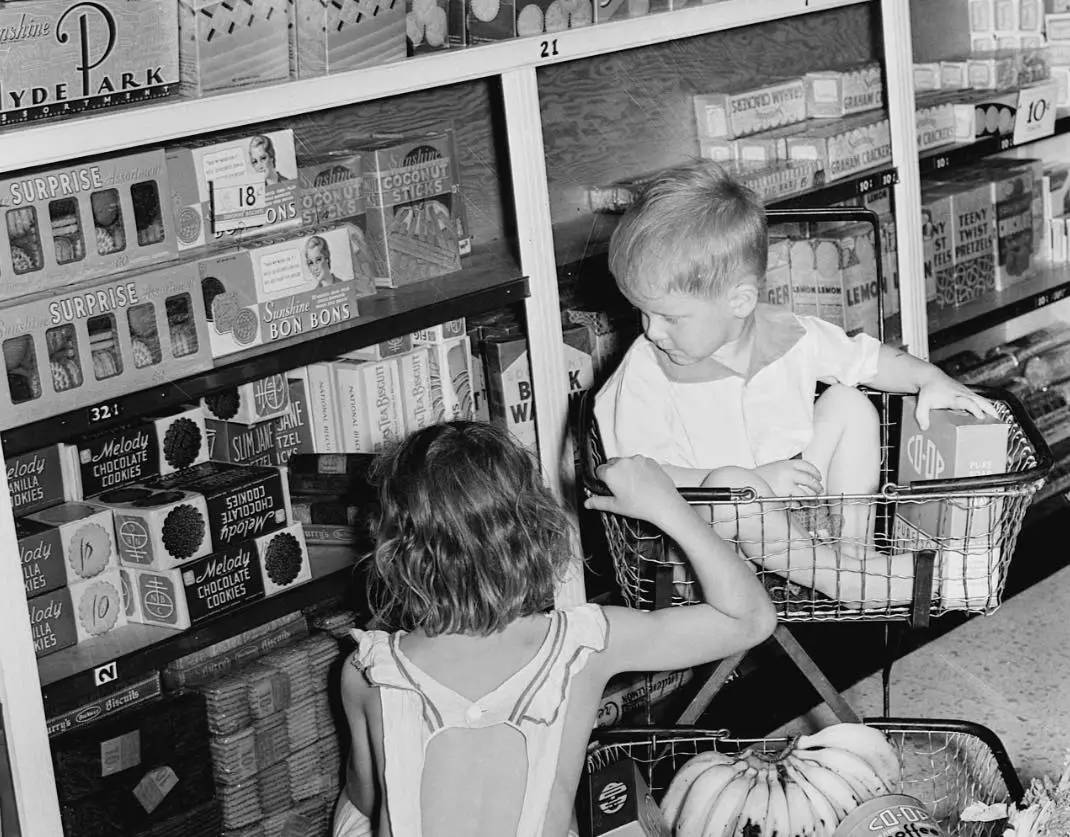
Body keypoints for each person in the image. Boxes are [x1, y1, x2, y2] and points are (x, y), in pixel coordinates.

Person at [333, 420, 776, 837]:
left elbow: (367, 797)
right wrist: (667, 505)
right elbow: (749, 619)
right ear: (536, 529)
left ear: (393, 548)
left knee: (352, 811)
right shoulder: (584, 646)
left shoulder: (370, 670)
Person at [594, 160, 997, 599]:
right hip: (703, 552)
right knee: (735, 484)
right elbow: (636, 477)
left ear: (740, 302)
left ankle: (854, 554)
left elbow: (869, 361)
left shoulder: (791, 336)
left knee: (847, 403)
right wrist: (756, 482)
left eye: (669, 317)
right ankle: (852, 583)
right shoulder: (646, 369)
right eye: (643, 313)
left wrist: (929, 378)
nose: (652, 331)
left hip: (797, 522)